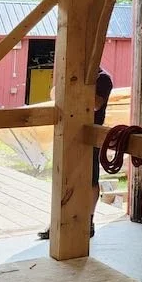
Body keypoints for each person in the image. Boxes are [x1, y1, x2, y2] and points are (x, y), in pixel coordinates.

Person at [38, 66, 113, 241]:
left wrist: (74, 90)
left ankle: (89, 220)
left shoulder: (103, 78)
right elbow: (55, 95)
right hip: (70, 132)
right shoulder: (71, 73)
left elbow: (95, 104)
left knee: (91, 179)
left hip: (90, 134)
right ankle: (59, 221)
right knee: (65, 177)